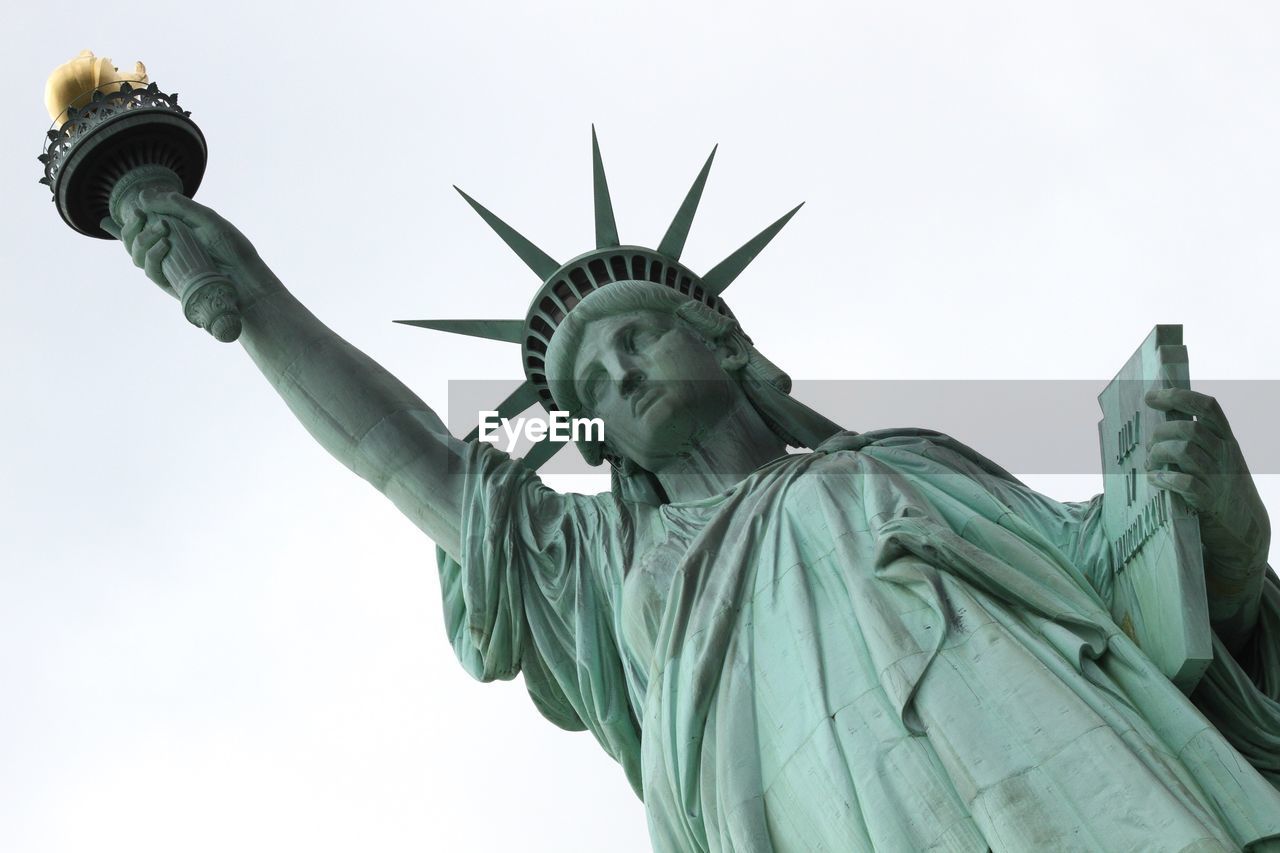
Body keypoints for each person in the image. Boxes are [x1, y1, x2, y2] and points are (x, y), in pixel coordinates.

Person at [104, 186, 1280, 852]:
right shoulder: (620, 568)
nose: (612, 376)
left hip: (1068, 784)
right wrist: (254, 299)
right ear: (593, 435)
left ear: (719, 340)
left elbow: (1128, 603)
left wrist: (1205, 510)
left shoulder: (907, 465)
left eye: (631, 338)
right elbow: (404, 461)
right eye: (582, 386)